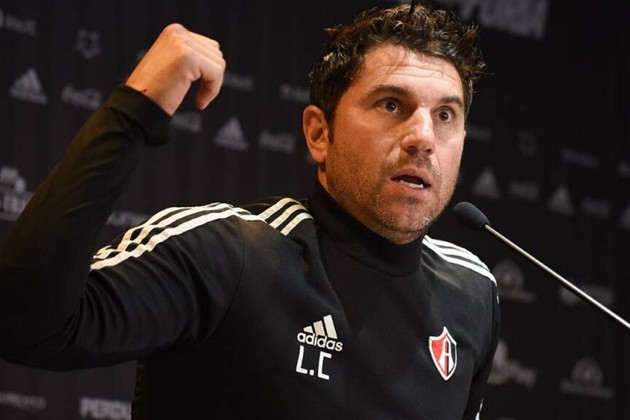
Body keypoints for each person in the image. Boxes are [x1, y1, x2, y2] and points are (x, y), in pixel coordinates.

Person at [0, 2, 500, 419]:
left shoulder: (474, 292)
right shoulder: (227, 253)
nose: (423, 137)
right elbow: (26, 325)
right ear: (319, 134)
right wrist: (136, 111)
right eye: (391, 105)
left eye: (445, 114)